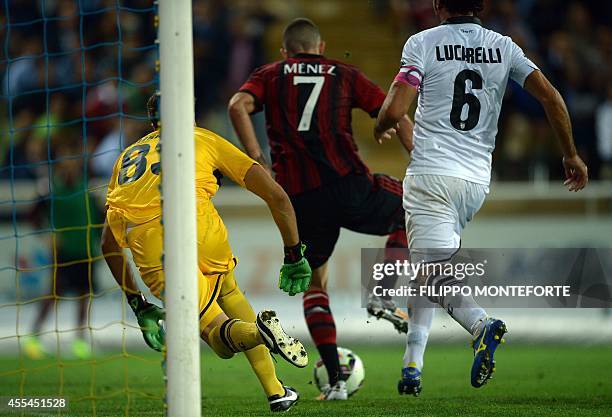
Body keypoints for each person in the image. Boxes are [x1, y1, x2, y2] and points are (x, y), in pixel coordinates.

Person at [375, 0, 589, 396]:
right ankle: (411, 367)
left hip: (432, 174)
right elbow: (552, 99)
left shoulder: (423, 42)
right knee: (429, 268)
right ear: (484, 6)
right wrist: (571, 154)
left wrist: (383, 122)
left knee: (432, 272)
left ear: (438, 5)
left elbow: (397, 106)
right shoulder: (505, 47)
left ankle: (480, 324)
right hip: (475, 181)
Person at [229, 18, 413, 400]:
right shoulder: (343, 73)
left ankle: (336, 383)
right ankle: (382, 290)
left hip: (300, 199)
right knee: (414, 210)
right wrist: (408, 147)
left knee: (316, 284)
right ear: (321, 46)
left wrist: (256, 157)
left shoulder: (270, 74)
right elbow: (393, 111)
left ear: (285, 51)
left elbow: (237, 105)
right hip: (348, 183)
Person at [101, 94, 312, 412]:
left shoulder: (126, 158)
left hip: (156, 249)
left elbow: (108, 244)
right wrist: (294, 253)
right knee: (228, 290)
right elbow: (278, 197)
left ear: (152, 122)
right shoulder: (205, 138)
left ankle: (260, 332)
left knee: (218, 339)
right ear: (191, 115)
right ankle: (276, 390)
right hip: (203, 229)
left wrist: (138, 303)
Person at [23, 137, 102, 360]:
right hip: (63, 250)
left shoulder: (87, 184)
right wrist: (47, 236)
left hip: (86, 248)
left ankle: (79, 341)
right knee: (54, 294)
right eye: (65, 157)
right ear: (59, 161)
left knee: (83, 295)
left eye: (72, 157)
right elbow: (32, 216)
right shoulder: (50, 186)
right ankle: (33, 337)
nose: (69, 161)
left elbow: (99, 214)